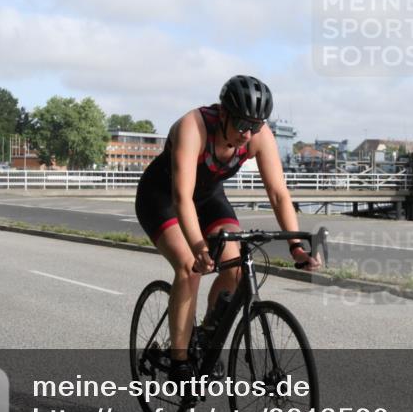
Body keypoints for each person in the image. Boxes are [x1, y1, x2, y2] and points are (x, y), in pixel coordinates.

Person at [135, 75, 320, 380]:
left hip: (208, 197)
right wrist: (198, 247)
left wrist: (296, 247)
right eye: (242, 124)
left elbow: (278, 193)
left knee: (235, 269)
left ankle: (207, 336)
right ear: (223, 114)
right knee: (190, 267)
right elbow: (182, 198)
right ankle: (179, 360)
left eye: (255, 126)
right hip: (162, 197)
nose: (248, 133)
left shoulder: (258, 135)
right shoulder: (193, 127)